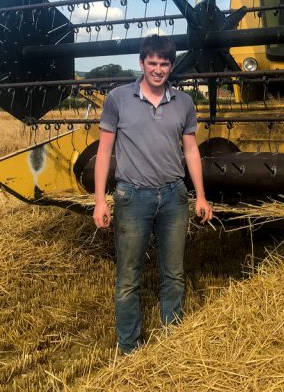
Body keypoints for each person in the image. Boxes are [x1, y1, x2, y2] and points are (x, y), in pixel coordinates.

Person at [93, 34, 213, 355]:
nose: (158, 69)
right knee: (128, 278)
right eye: (152, 62)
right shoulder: (118, 98)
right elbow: (104, 152)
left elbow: (190, 151)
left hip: (174, 197)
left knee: (173, 274)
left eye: (164, 63)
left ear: (171, 66)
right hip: (132, 198)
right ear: (142, 62)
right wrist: (100, 200)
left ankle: (172, 342)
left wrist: (199, 196)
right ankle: (130, 348)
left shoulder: (184, 103)